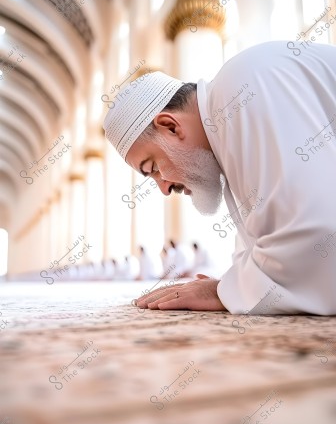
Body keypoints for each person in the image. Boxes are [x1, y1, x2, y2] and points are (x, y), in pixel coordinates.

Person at [103, 42, 336, 314]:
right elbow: (262, 240)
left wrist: (222, 291)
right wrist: (231, 286)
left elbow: (319, 232)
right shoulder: (226, 126)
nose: (164, 188)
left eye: (152, 167)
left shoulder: (238, 89)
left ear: (170, 126)